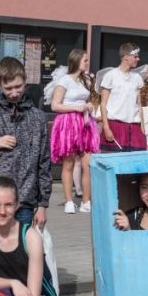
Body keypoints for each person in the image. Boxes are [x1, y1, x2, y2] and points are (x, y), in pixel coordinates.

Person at [0, 57, 50, 227]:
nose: (14, 93)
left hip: (24, 199)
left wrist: (42, 204)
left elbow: (44, 163)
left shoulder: (38, 119)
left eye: (18, 87)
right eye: (8, 88)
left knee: (21, 244)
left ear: (25, 81)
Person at [49, 49, 99, 214]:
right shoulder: (65, 80)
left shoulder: (85, 80)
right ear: (76, 61)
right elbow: (55, 105)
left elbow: (88, 99)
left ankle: (86, 201)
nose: (87, 63)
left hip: (85, 123)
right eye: (85, 60)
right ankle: (69, 201)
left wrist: (89, 106)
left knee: (87, 164)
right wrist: (76, 108)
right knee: (69, 163)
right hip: (68, 123)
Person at [99, 43, 146, 152]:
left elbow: (138, 104)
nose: (138, 59)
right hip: (115, 125)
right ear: (126, 57)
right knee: (113, 158)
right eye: (135, 57)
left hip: (134, 126)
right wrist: (106, 127)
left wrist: (142, 127)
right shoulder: (111, 75)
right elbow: (103, 104)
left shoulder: (137, 78)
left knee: (135, 159)